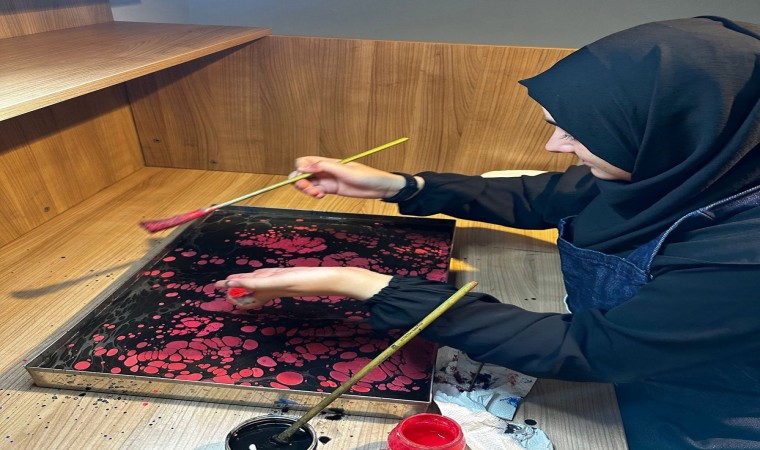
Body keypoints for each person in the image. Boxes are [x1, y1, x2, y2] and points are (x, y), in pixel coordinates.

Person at [215, 16, 760, 449]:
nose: (555, 147)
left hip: (697, 415)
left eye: (577, 135)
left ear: (675, 126)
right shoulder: (692, 165)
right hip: (628, 363)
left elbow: (589, 349)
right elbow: (542, 196)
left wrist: (360, 283)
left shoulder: (743, 254)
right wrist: (398, 185)